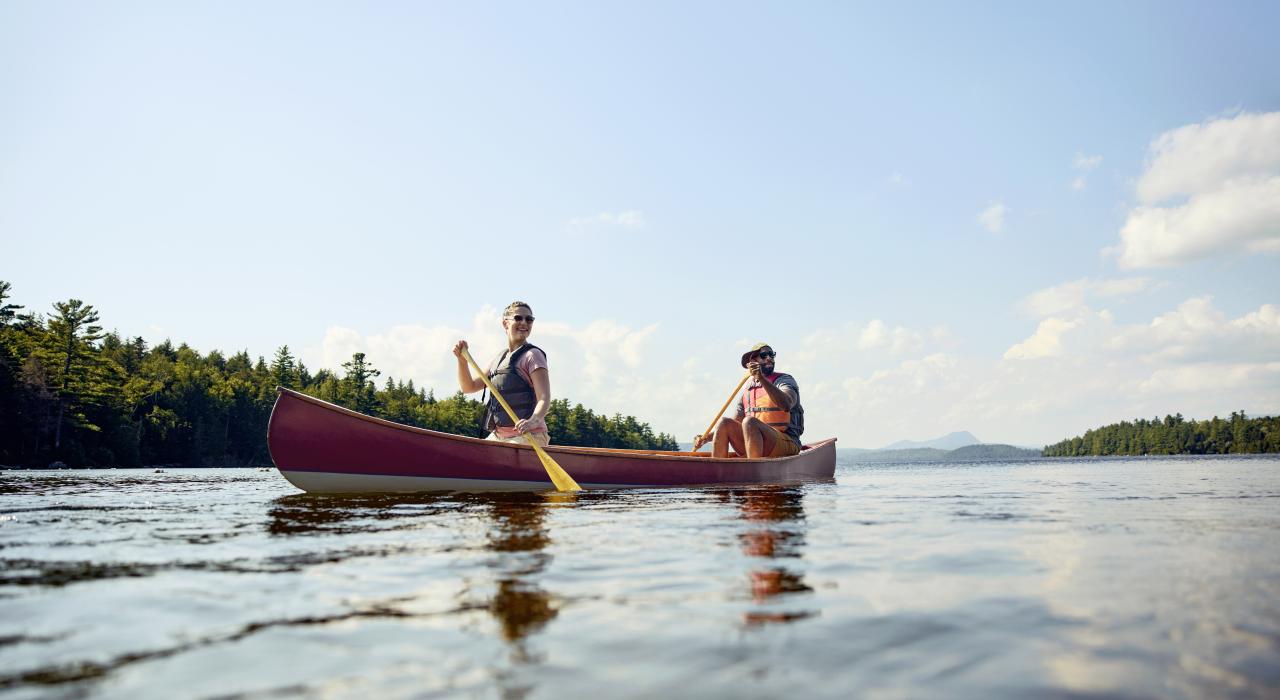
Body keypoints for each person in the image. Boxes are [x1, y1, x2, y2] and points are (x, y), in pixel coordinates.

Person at [453, 301, 551, 446]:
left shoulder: (533, 355)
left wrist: (533, 421)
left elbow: (544, 397)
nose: (524, 322)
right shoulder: (499, 360)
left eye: (529, 319)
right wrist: (462, 361)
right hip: (499, 436)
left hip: (529, 435)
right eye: (518, 318)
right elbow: (469, 387)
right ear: (505, 324)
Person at [694, 342, 804, 458]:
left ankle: (753, 469)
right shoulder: (749, 389)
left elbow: (786, 404)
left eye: (771, 355)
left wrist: (761, 378)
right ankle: (716, 470)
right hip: (756, 444)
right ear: (753, 362)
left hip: (787, 441)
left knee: (749, 422)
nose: (769, 358)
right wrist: (706, 438)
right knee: (724, 423)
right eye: (763, 355)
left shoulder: (784, 380)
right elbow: (735, 421)